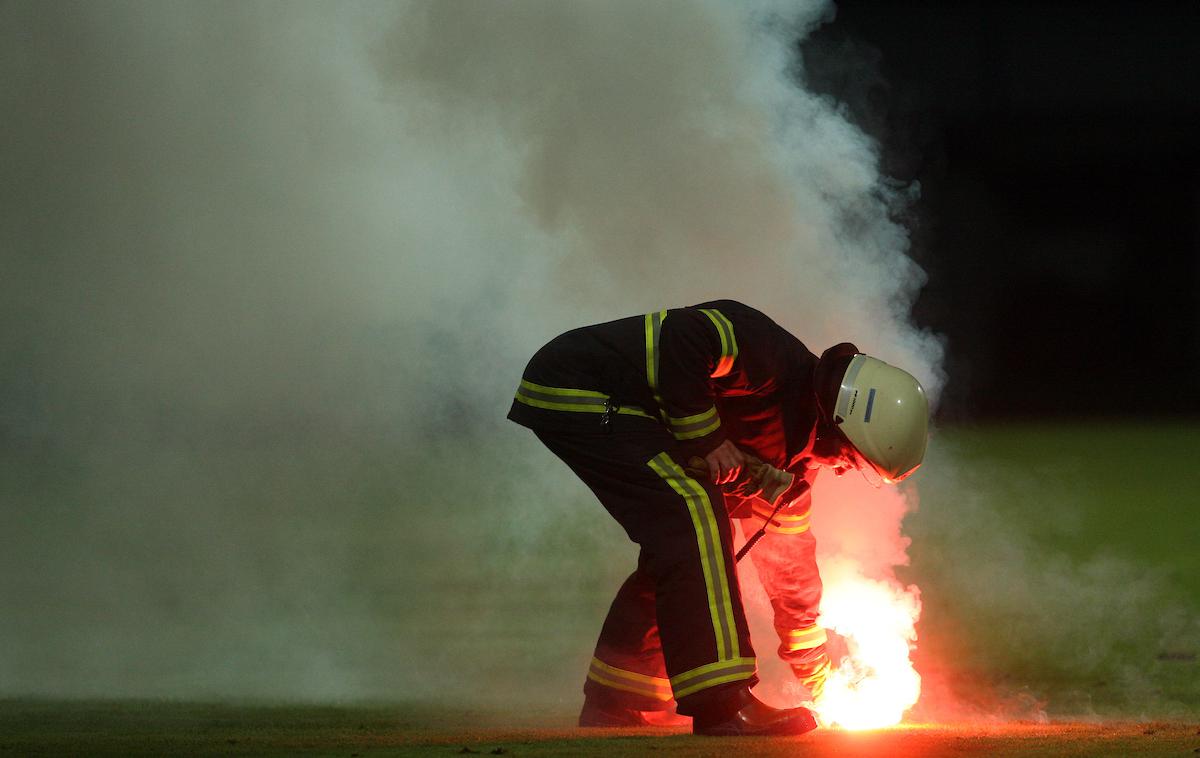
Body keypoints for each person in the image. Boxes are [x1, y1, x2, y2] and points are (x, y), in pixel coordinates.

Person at [507, 300, 928, 736]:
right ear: (841, 425)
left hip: (625, 409)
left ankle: (619, 699)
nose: (843, 469)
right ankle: (723, 704)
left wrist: (815, 671)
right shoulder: (770, 358)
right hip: (580, 386)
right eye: (851, 459)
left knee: (683, 549)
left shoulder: (793, 462)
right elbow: (685, 337)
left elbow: (790, 563)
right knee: (696, 514)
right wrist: (706, 438)